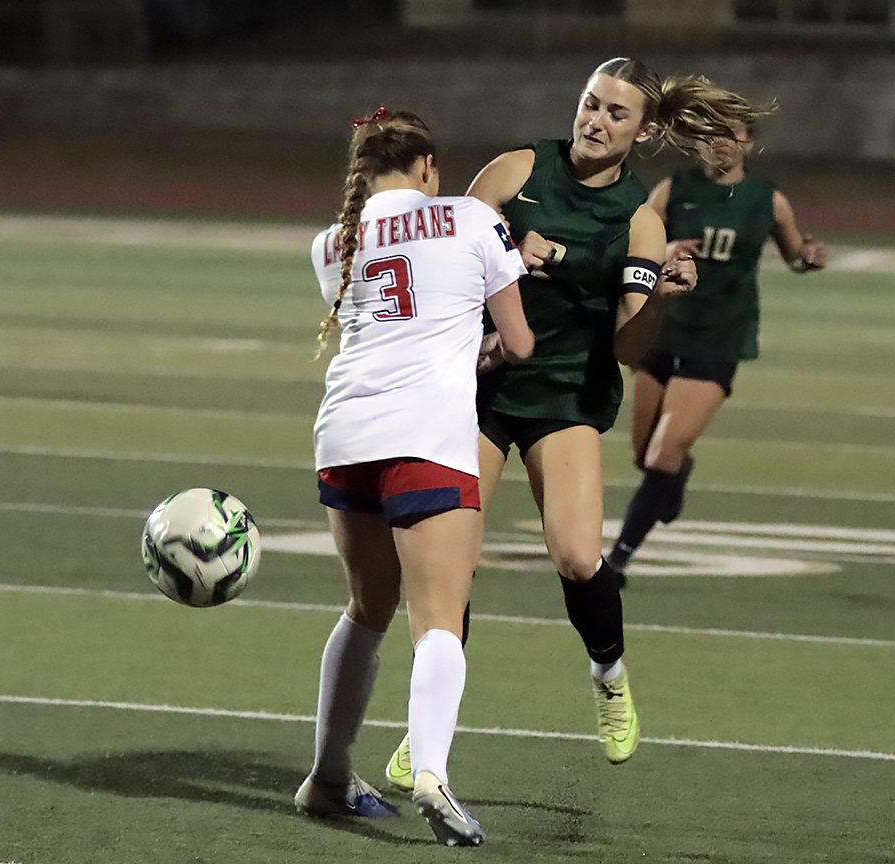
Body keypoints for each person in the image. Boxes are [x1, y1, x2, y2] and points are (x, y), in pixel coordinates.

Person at [383, 58, 763, 788]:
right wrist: (500, 259)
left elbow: (627, 347)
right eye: (591, 103)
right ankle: (426, 733)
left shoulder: (640, 223)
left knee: (578, 559)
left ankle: (610, 676)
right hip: (483, 393)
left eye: (616, 114)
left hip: (566, 396)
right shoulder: (515, 170)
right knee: (446, 570)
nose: (594, 120)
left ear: (644, 131)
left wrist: (661, 300)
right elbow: (441, 266)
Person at [296, 108, 533, 848]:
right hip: (426, 434)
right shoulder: (469, 218)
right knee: (438, 618)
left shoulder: (332, 241)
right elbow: (519, 342)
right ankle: (430, 770)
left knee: (366, 611)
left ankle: (328, 777)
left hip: (344, 434)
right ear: (429, 166)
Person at [606, 120, 827, 576]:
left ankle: (619, 558)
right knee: (644, 454)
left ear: (749, 141)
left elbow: (793, 254)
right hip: (662, 330)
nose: (718, 143)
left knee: (660, 455)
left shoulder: (767, 198)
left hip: (719, 336)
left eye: (729, 134)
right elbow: (630, 242)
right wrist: (664, 248)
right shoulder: (673, 189)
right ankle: (674, 477)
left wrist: (807, 258)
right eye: (709, 133)